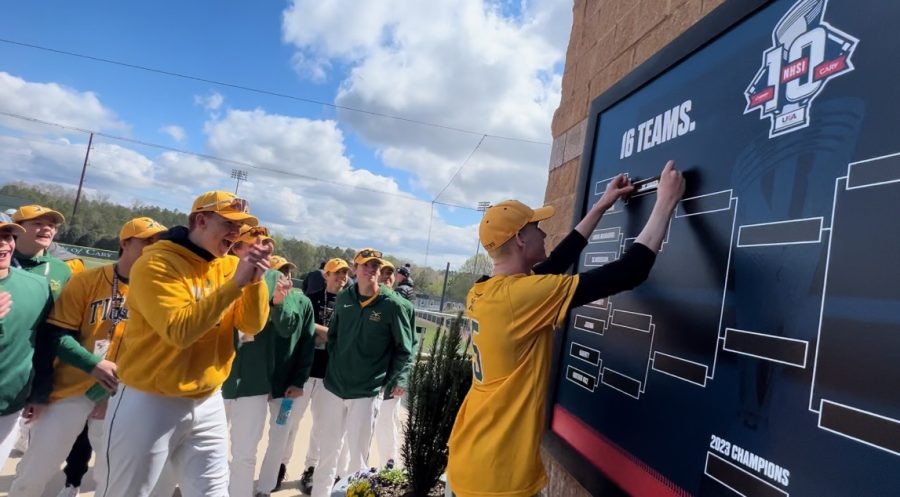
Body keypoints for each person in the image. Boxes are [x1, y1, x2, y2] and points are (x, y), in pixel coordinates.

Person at [446, 161, 686, 497]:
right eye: (537, 227)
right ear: (519, 239)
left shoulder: (485, 290)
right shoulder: (521, 298)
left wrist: (602, 205)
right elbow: (629, 272)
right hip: (496, 477)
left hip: (469, 457)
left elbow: (557, 260)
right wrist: (665, 203)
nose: (544, 232)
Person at [99, 191, 272, 497]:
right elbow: (180, 331)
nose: (235, 232)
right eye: (229, 223)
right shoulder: (157, 263)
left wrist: (255, 282)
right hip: (150, 399)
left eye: (240, 225)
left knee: (213, 493)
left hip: (208, 398)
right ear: (201, 220)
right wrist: (235, 285)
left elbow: (251, 325)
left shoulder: (230, 265)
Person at [8, 217, 167, 497]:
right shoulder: (87, 281)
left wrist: (116, 387)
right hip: (69, 389)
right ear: (125, 243)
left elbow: (158, 349)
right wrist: (92, 364)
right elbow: (55, 334)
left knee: (111, 478)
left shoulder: (160, 291)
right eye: (147, 241)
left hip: (122, 395)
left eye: (158, 243)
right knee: (33, 474)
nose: (153, 248)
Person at [310, 249, 415, 497]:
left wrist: (396, 379)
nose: (371, 270)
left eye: (375, 266)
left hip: (366, 391)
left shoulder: (392, 305)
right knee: (328, 452)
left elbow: (404, 349)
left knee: (357, 459)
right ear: (355, 268)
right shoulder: (345, 298)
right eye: (365, 265)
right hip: (335, 386)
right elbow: (334, 337)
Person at [222, 231, 315, 497]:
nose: (284, 275)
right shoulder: (258, 293)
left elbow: (305, 343)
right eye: (279, 270)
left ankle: (265, 487)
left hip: (283, 386)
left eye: (287, 271)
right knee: (232, 443)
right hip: (258, 379)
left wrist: (298, 381)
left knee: (277, 438)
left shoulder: (301, 302)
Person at [0, 220, 53, 470]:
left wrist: (40, 392)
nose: (4, 243)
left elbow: (43, 343)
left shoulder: (37, 286)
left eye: (8, 236)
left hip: (9, 405)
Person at [295, 257, 350, 494]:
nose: (341, 277)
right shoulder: (311, 299)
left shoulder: (349, 303)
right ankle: (280, 464)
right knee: (290, 422)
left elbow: (343, 337)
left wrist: (319, 331)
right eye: (336, 273)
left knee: (321, 426)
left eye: (345, 274)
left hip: (329, 375)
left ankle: (311, 468)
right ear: (326, 275)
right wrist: (329, 334)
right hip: (305, 371)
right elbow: (302, 329)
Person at [373, 261, 409, 468]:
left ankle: (388, 466)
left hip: (390, 379)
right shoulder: (364, 303)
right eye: (383, 272)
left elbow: (408, 347)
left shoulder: (401, 306)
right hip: (368, 379)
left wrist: (401, 378)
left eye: (390, 273)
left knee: (387, 424)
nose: (387, 276)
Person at [10, 204, 72, 299]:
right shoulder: (4, 262)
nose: (47, 228)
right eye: (37, 223)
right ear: (16, 229)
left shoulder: (62, 270)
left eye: (51, 225)